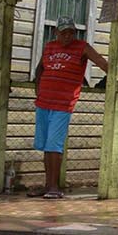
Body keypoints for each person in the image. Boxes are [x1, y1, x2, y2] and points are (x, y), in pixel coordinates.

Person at [32, 16, 108, 198]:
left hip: (63, 103)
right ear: (56, 32)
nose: (67, 36)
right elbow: (39, 69)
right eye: (63, 32)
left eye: (71, 32)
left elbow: (103, 64)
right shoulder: (50, 46)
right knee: (44, 146)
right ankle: (47, 184)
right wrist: (38, 90)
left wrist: (117, 77)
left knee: (54, 145)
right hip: (44, 102)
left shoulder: (82, 47)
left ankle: (54, 187)